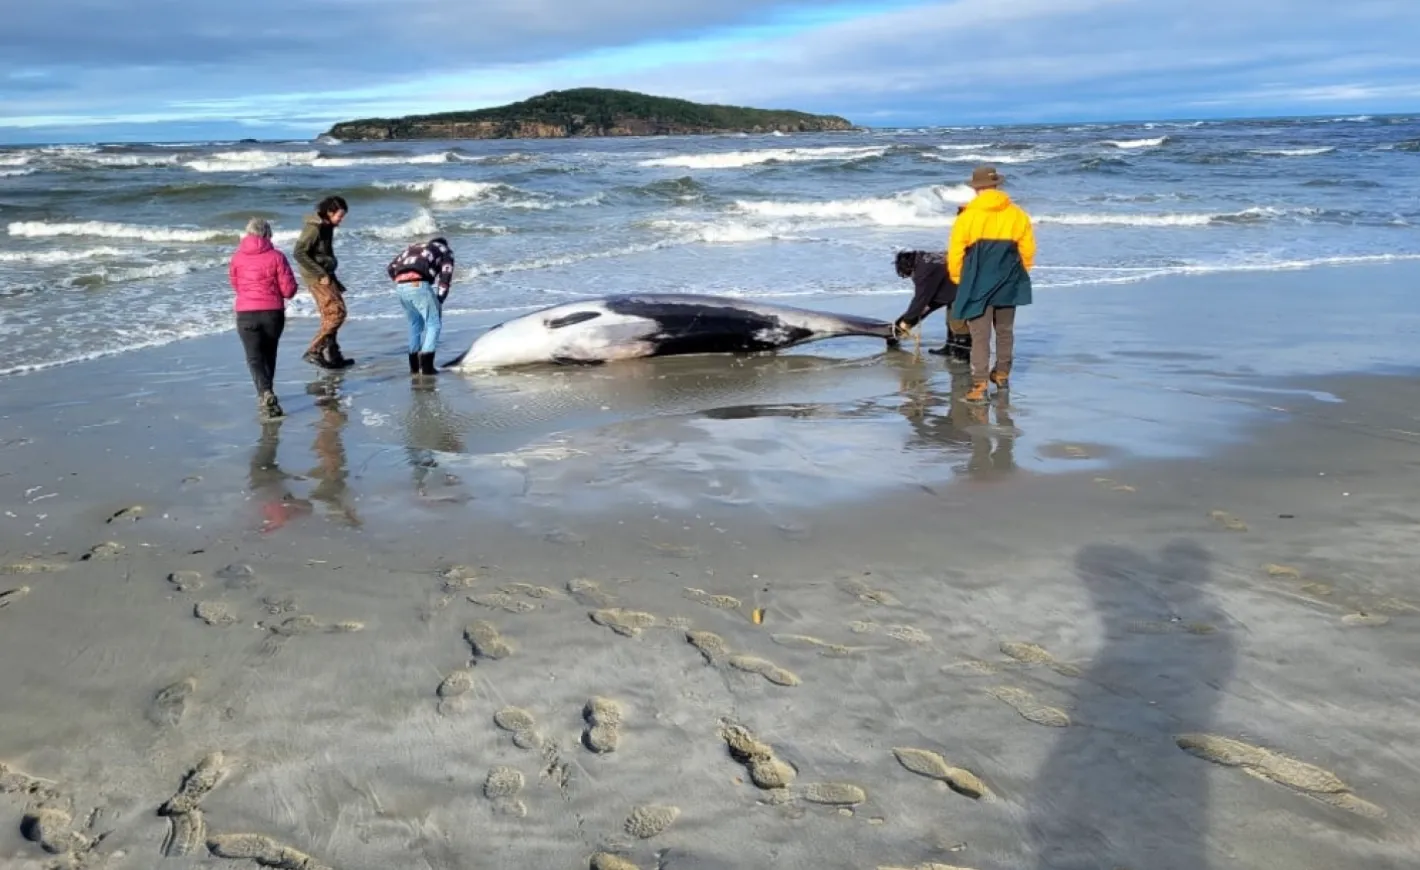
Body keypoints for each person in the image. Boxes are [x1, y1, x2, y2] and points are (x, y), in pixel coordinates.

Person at [948, 165, 1036, 403]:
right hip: (1009, 277)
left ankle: (979, 385)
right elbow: (1027, 250)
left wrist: (958, 279)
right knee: (1005, 331)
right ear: (996, 186)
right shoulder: (1017, 214)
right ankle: (1003, 375)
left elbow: (955, 252)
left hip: (977, 280)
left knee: (980, 335)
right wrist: (1019, 272)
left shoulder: (968, 216)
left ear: (976, 189)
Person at [228, 217, 298, 420]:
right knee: (269, 354)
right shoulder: (277, 256)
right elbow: (288, 290)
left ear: (248, 234)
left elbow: (235, 284)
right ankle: (267, 393)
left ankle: (264, 394)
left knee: (253, 357)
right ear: (267, 234)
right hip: (272, 312)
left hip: (246, 312)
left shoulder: (237, 257)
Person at [293, 195, 353, 369]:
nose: (341, 220)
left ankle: (333, 355)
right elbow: (299, 253)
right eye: (339, 216)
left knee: (331, 314)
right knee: (337, 314)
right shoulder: (314, 228)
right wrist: (320, 274)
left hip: (327, 273)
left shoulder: (327, 226)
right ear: (329, 212)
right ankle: (314, 350)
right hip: (317, 277)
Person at [386, 236, 456, 376]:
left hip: (401, 287)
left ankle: (414, 368)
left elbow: (391, 267)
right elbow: (445, 277)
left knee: (415, 325)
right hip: (419, 285)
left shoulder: (414, 247)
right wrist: (439, 300)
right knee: (433, 324)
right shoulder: (445, 251)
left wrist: (401, 280)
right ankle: (427, 368)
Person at [891, 248, 972, 361]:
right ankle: (950, 347)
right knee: (950, 320)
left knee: (957, 322)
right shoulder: (924, 258)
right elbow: (926, 302)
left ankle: (963, 354)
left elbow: (920, 300)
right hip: (955, 283)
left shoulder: (923, 271)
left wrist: (906, 322)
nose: (911, 277)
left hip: (965, 285)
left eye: (909, 274)